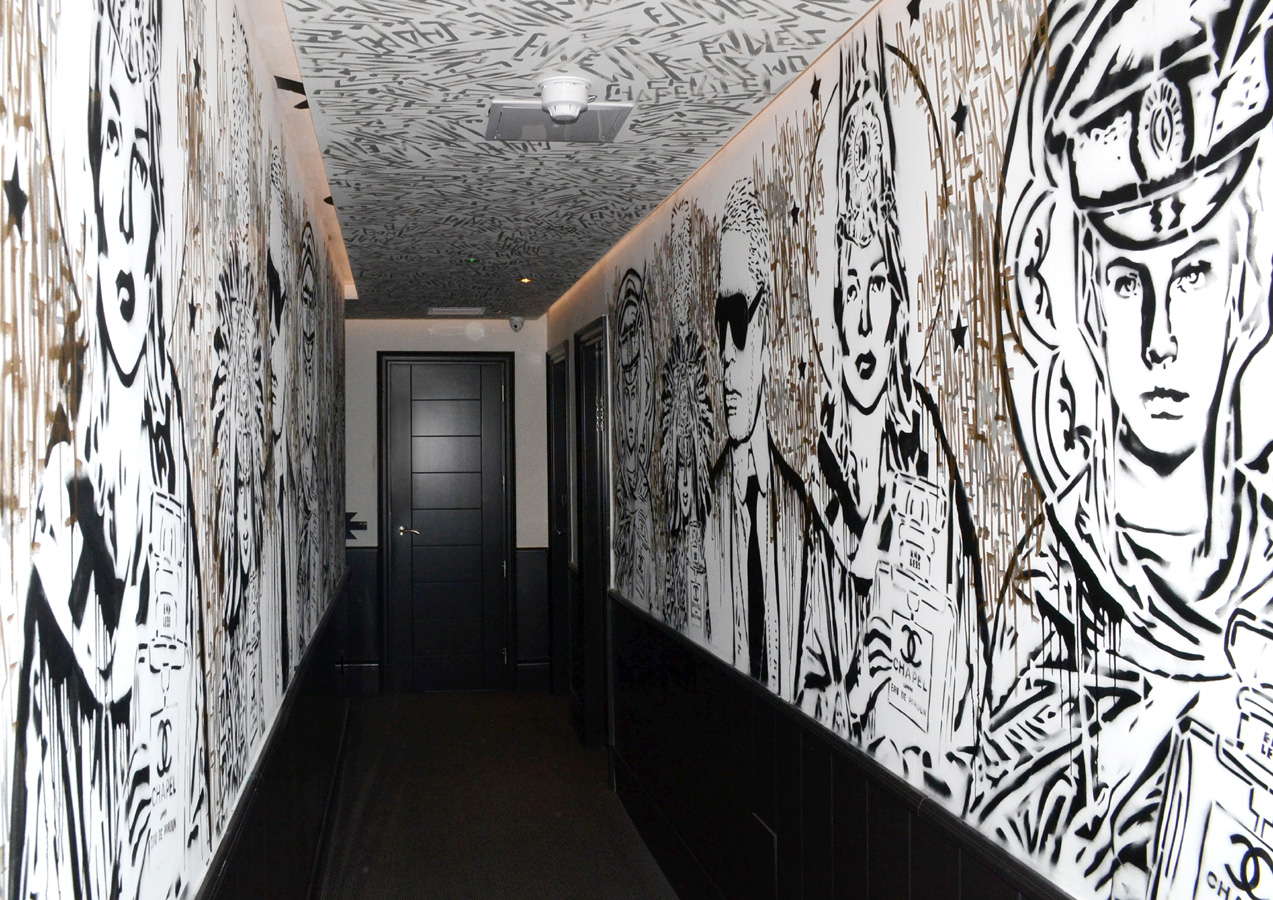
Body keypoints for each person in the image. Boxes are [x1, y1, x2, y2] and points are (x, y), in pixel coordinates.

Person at [981, 0, 1273, 894]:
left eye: (1191, 274)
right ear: (1082, 301)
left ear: (1241, 288)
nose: (1158, 338)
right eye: (1123, 280)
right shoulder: (1047, 594)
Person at [11, 3, 206, 897]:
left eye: (143, 161)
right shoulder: (60, 490)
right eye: (108, 143)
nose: (125, 206)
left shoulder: (170, 476)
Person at [796, 24, 983, 808]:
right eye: (850, 290)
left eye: (880, 285)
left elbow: (965, 668)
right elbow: (803, 676)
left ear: (903, 307)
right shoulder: (821, 468)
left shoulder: (926, 453)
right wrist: (849, 697)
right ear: (834, 312)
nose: (865, 320)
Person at [703, 178, 813, 701]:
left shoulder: (800, 518)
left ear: (766, 322)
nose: (725, 352)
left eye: (738, 319)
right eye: (719, 322)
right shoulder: (709, 511)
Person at [612, 268, 656, 613]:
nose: (627, 346)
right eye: (622, 336)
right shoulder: (620, 396)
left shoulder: (645, 394)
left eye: (633, 334)